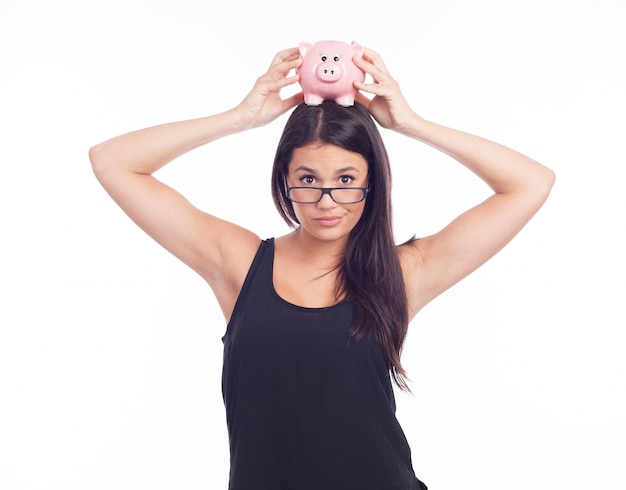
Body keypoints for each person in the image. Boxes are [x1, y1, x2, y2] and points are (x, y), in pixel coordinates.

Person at [89, 45, 555, 489]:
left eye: (347, 180)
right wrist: (241, 117)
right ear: (284, 181)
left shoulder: (404, 272)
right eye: (308, 179)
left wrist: (411, 124)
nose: (327, 201)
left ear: (372, 182)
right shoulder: (239, 263)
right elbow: (113, 162)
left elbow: (530, 184)